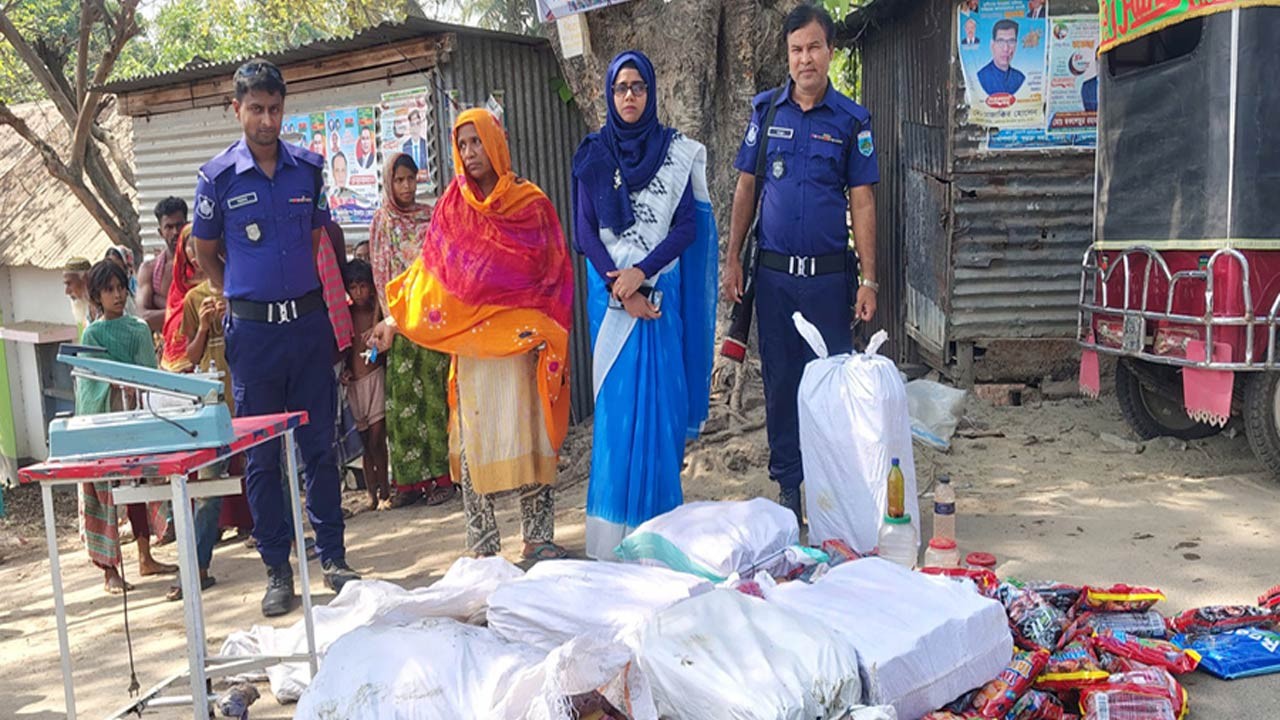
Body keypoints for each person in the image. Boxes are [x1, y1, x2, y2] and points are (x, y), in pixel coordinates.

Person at [192, 59, 359, 617]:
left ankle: (333, 557)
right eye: (256, 108)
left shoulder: (308, 170)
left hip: (308, 328)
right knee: (262, 457)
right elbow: (206, 252)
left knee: (320, 449)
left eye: (275, 108)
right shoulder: (216, 179)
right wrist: (242, 294)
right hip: (255, 337)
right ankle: (276, 571)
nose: (267, 119)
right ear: (236, 109)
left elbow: (315, 238)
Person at [369, 109, 574, 560]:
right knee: (474, 440)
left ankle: (537, 538)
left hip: (522, 342)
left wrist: (543, 327)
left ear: (496, 142)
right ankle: (482, 545)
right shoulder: (452, 208)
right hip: (474, 345)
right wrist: (394, 320)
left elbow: (554, 270)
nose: (469, 153)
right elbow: (431, 275)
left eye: (476, 142)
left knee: (532, 432)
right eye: (461, 145)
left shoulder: (531, 204)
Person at [723, 4, 880, 524]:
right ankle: (791, 492)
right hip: (773, 280)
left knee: (831, 386)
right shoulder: (767, 114)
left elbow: (862, 201)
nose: (805, 58)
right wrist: (732, 261)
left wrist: (870, 280)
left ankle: (833, 489)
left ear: (830, 52)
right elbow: (746, 188)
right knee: (783, 384)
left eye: (813, 47)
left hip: (830, 281)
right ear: (786, 56)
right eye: (796, 50)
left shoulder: (852, 120)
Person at [572, 51, 718, 559]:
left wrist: (643, 275)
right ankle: (611, 549)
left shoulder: (674, 152)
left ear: (650, 93)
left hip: (659, 302)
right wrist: (623, 287)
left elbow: (686, 228)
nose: (629, 96)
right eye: (621, 88)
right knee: (616, 421)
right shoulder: (592, 154)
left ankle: (659, 545)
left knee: (660, 416)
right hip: (613, 305)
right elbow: (583, 232)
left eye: (637, 87)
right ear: (609, 96)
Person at [76, 260, 179, 593]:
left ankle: (145, 557)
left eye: (122, 288)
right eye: (110, 290)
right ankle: (109, 571)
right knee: (105, 495)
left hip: (136, 421)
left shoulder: (137, 329)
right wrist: (117, 386)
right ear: (97, 296)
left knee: (138, 488)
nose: (118, 295)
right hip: (105, 426)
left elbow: (150, 377)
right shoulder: (92, 333)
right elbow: (90, 388)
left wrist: (138, 388)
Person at [368, 152, 452, 507]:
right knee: (402, 403)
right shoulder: (382, 220)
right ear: (389, 182)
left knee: (435, 400)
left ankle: (442, 480)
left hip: (432, 322)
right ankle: (407, 485)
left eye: (411, 179)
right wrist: (393, 319)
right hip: (399, 326)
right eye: (399, 180)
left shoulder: (430, 217)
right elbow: (380, 273)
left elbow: (443, 266)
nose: (405, 186)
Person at [166, 235, 228, 601]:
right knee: (207, 491)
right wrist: (205, 326)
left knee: (274, 473)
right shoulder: (193, 300)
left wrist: (230, 317)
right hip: (212, 404)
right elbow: (188, 356)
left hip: (247, 397)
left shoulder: (239, 288)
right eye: (191, 248)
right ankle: (198, 568)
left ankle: (290, 550)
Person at [341, 259, 389, 510]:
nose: (358, 292)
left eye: (363, 286)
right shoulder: (347, 315)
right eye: (353, 287)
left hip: (375, 378)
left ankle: (386, 489)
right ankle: (372, 494)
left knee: (377, 438)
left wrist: (374, 318)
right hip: (355, 385)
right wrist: (345, 372)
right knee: (364, 445)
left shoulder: (377, 314)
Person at [137, 197, 189, 333]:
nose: (175, 232)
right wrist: (188, 310)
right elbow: (144, 318)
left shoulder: (200, 263)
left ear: (187, 225)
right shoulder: (150, 269)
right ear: (160, 232)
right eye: (169, 227)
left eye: (179, 225)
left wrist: (159, 302)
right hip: (168, 347)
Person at [978, 20, 1026, 95]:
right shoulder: (982, 76)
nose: (1006, 48)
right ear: (992, 45)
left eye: (1011, 41)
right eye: (1001, 41)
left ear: (1016, 44)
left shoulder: (1019, 78)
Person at [63, 256, 95, 335]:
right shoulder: (83, 312)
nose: (66, 291)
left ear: (85, 279)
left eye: (69, 284)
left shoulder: (108, 308)